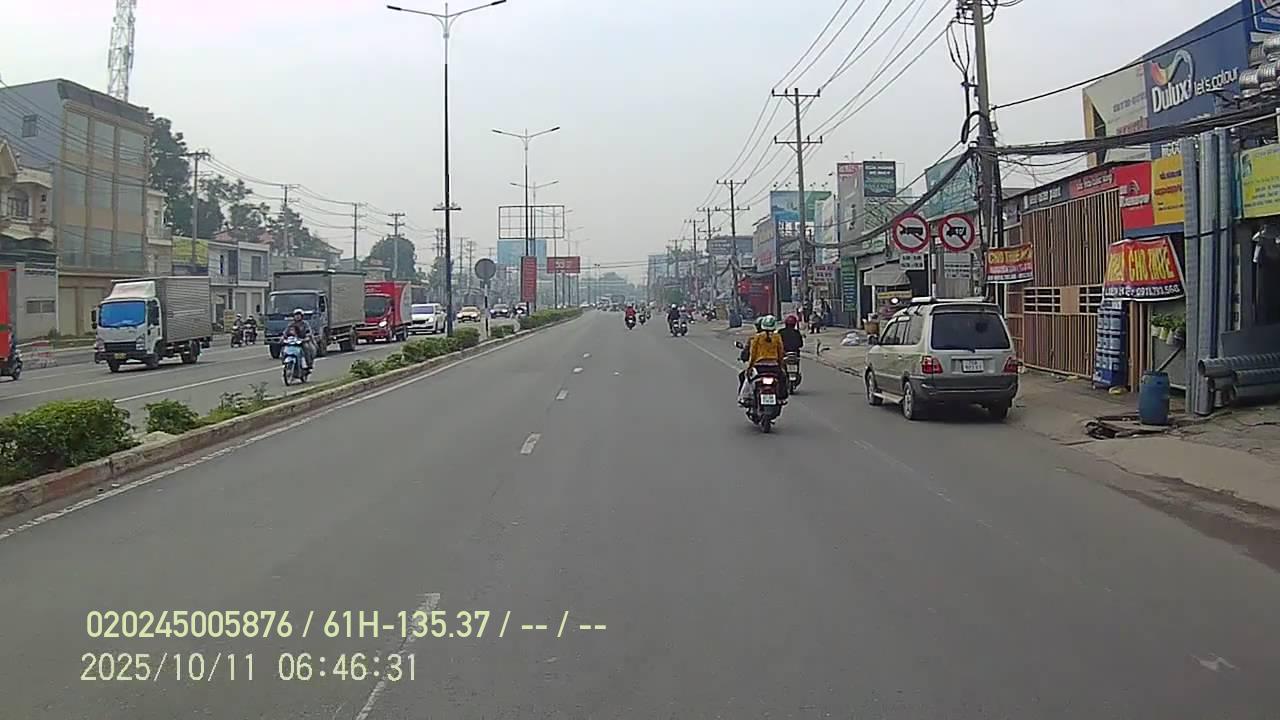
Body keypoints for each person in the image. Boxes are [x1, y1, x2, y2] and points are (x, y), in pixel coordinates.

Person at [738, 315, 786, 406]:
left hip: (759, 368)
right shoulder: (777, 337)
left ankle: (744, 397)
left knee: (748, 379)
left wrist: (750, 367)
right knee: (782, 378)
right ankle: (782, 398)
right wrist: (781, 366)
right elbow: (780, 353)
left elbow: (753, 354)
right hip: (774, 367)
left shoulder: (757, 338)